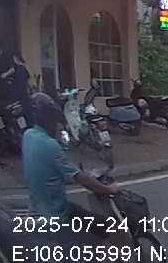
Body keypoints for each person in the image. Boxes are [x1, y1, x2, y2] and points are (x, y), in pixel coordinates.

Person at [22, 92, 118, 221]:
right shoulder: (50, 145)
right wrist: (108, 189)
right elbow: (81, 179)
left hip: (38, 208)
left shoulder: (28, 135)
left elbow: (49, 169)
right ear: (50, 118)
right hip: (56, 214)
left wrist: (82, 174)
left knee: (80, 211)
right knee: (106, 225)